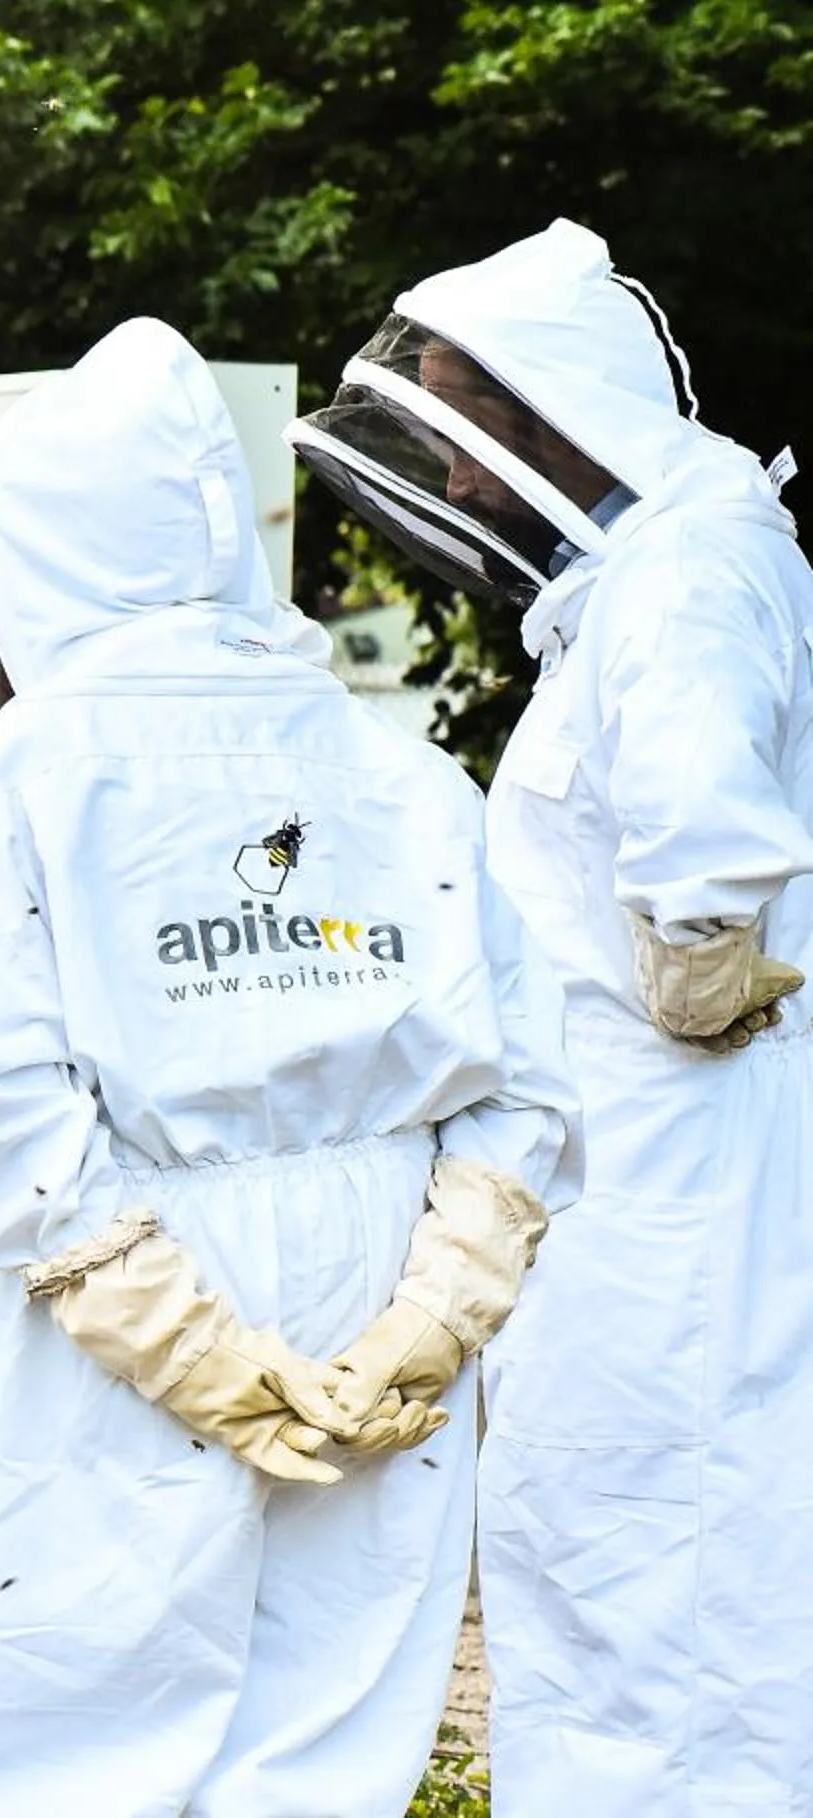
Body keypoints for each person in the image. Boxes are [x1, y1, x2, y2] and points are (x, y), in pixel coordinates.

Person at [0, 318, 578, 1818]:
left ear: (31, 546)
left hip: (120, 1312)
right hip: (376, 1295)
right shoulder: (402, 771)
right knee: (323, 1753)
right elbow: (529, 1088)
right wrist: (428, 1320)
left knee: (36, 1754)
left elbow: (3, 1103)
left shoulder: (11, 777)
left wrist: (192, 1347)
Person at [292, 219, 813, 1815]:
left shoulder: (689, 574)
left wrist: (705, 966)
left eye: (464, 427)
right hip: (628, 1178)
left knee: (677, 1566)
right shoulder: (657, 573)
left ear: (544, 412)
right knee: (601, 1561)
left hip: (680, 1181)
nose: (449, 483)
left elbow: (705, 861)